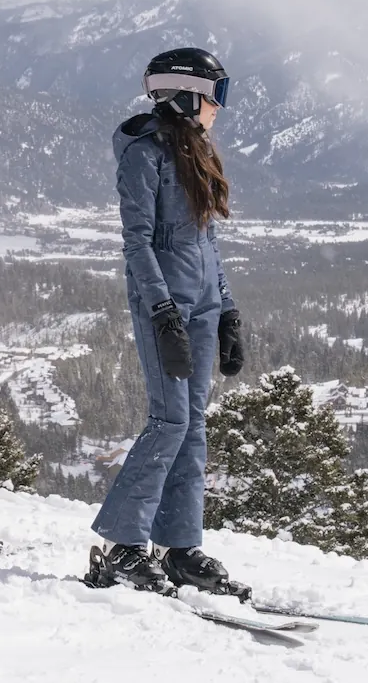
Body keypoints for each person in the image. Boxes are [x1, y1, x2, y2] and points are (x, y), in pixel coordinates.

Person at [83, 47, 247, 593]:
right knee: (171, 420)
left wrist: (225, 310)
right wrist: (162, 312)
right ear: (183, 95)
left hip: (200, 308)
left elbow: (206, 239)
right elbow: (137, 243)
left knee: (193, 423)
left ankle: (181, 547)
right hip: (166, 308)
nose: (218, 108)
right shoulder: (143, 153)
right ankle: (124, 545)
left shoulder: (195, 151)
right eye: (213, 96)